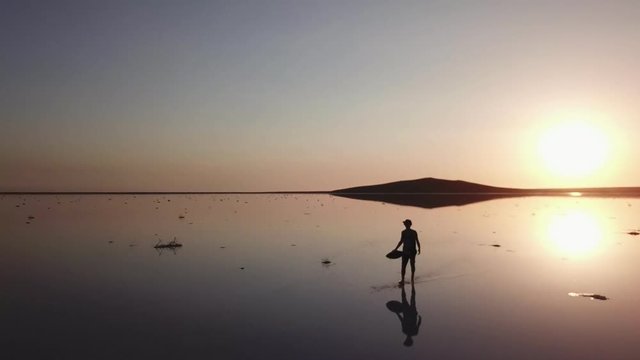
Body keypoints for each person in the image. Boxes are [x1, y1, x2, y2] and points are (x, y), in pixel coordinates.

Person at [394, 219, 421, 285]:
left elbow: (417, 240)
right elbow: (401, 241)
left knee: (412, 265)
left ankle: (412, 278)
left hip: (412, 251)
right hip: (405, 251)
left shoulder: (414, 232)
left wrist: (419, 248)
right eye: (405, 224)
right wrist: (395, 249)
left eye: (406, 224)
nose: (405, 225)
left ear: (409, 224)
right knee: (403, 266)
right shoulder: (403, 232)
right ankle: (402, 280)